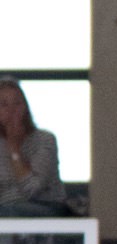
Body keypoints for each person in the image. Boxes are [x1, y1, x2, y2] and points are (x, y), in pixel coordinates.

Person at [0, 79, 71, 215]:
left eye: (17, 103)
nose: (12, 110)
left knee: (9, 212)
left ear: (25, 107)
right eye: (4, 105)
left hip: (45, 206)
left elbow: (32, 189)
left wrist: (14, 149)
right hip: (6, 209)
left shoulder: (44, 140)